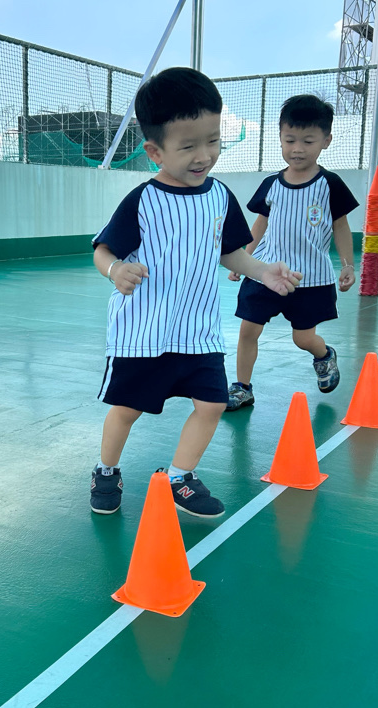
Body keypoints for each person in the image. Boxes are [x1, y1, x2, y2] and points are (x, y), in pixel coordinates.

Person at [90, 67, 301, 518]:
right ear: (155, 151)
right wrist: (115, 270)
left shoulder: (219, 196)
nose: (204, 155)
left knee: (212, 404)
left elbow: (230, 253)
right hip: (143, 334)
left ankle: (180, 477)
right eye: (188, 147)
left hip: (198, 331)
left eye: (213, 140)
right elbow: (102, 250)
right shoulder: (143, 201)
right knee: (127, 410)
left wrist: (263, 271)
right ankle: (106, 469)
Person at [225, 94, 359, 412]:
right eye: (290, 140)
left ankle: (324, 355)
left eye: (308, 141)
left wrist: (348, 265)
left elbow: (341, 226)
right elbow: (260, 224)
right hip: (266, 272)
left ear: (326, 141)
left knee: (303, 338)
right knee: (248, 330)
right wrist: (244, 260)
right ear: (281, 138)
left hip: (309, 279)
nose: (297, 148)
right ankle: (242, 387)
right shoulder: (272, 184)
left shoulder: (330, 184)